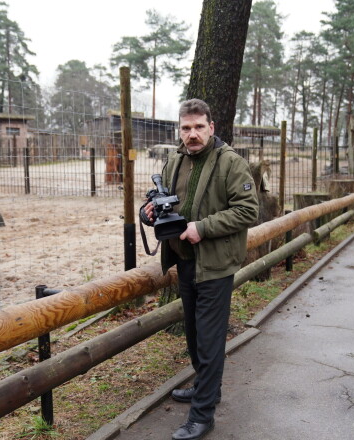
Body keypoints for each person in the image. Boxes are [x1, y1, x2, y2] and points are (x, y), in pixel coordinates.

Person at [142, 98, 259, 440]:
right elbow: (158, 201)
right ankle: (206, 388)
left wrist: (202, 228)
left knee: (209, 340)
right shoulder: (174, 160)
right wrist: (147, 212)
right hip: (185, 262)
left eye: (198, 127)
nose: (191, 134)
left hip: (216, 264)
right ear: (179, 129)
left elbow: (248, 211)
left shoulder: (231, 163)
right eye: (185, 128)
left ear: (211, 127)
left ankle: (203, 415)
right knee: (194, 333)